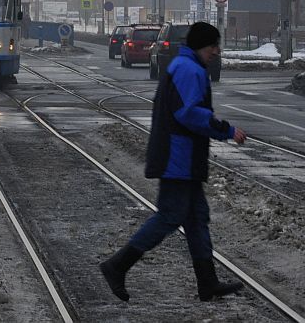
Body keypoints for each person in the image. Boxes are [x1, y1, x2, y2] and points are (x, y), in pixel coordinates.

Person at [100, 22, 247, 303]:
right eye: (214, 45)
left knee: (196, 219)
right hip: (177, 157)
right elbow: (189, 113)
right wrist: (226, 130)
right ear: (202, 45)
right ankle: (117, 265)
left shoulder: (186, 66)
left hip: (184, 158)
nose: (217, 51)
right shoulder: (189, 70)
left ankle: (207, 282)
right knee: (169, 216)